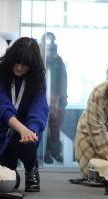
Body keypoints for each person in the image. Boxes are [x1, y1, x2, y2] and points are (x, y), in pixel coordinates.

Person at [0, 37, 49, 192]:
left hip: (24, 134)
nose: (19, 68)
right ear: (11, 58)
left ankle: (31, 168)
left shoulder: (38, 77)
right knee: (2, 183)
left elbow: (39, 107)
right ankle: (14, 174)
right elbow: (1, 106)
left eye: (25, 65)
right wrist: (21, 128)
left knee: (29, 138)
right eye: (17, 62)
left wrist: (31, 130)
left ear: (32, 65)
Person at [39, 32, 68, 164]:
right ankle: (42, 153)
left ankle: (53, 151)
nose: (51, 46)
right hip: (41, 101)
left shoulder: (59, 61)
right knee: (42, 128)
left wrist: (60, 99)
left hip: (57, 101)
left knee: (55, 128)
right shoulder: (39, 60)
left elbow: (63, 80)